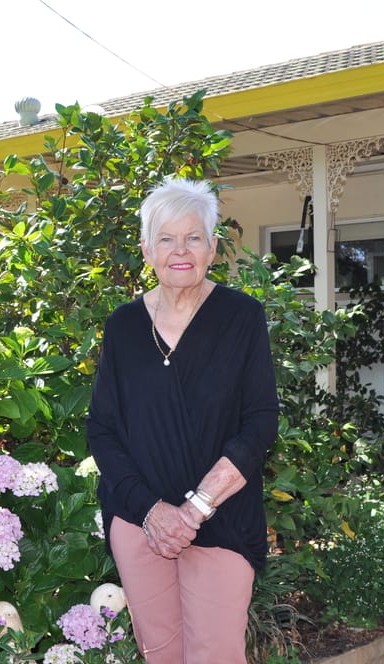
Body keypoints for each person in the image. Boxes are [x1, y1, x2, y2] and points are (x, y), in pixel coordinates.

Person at [86, 177, 280, 663]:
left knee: (215, 653)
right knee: (161, 654)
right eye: (167, 239)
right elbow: (103, 430)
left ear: (213, 248)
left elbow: (259, 424)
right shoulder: (123, 326)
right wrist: (153, 512)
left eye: (194, 237)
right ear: (147, 251)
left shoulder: (242, 318)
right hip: (139, 520)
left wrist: (194, 510)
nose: (181, 250)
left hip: (222, 519)